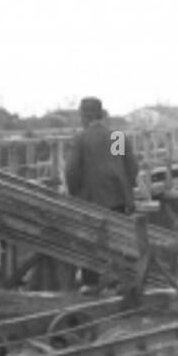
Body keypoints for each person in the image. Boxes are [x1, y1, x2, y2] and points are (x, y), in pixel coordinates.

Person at [65, 96, 139, 293]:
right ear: (101, 115)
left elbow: (71, 171)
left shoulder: (81, 139)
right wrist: (127, 189)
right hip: (117, 199)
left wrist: (76, 193)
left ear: (85, 117)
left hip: (90, 200)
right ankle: (120, 282)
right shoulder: (116, 137)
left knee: (90, 241)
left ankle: (91, 284)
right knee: (118, 240)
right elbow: (129, 166)